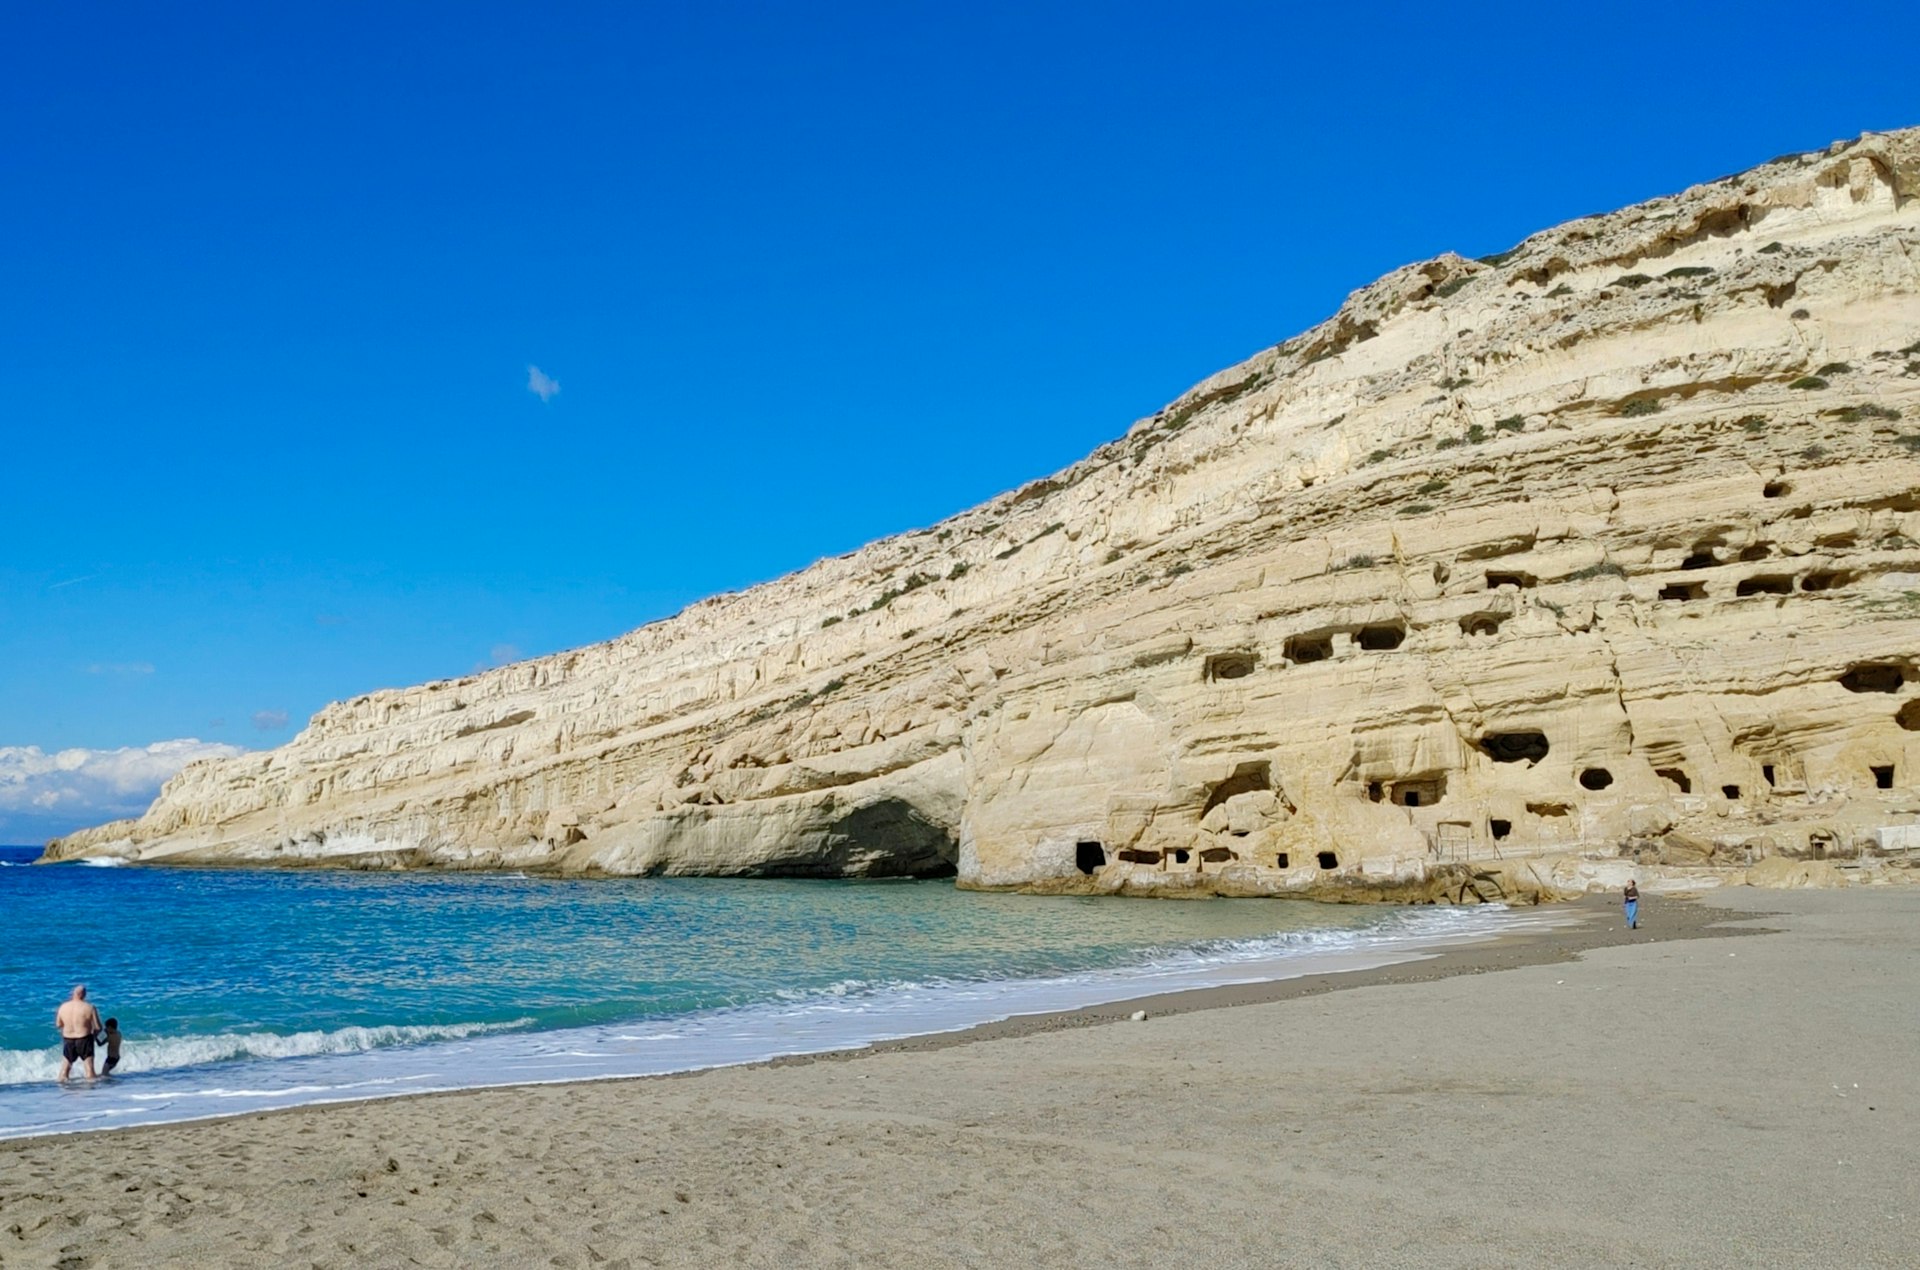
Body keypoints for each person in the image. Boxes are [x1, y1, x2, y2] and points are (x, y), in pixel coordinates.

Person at [54, 985, 102, 1082]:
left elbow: (58, 1024)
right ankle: (93, 1094)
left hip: (68, 1039)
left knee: (65, 1069)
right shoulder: (89, 1007)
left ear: (73, 994)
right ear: (84, 995)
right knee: (89, 1069)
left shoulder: (63, 1007)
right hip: (84, 1038)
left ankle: (61, 1091)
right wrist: (94, 1036)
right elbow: (98, 1027)